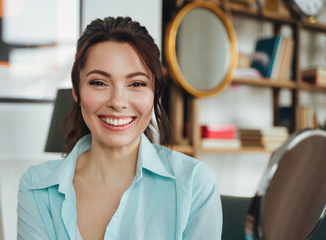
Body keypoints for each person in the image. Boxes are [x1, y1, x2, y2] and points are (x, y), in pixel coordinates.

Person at [17, 16, 222, 240]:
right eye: (99, 83)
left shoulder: (194, 184)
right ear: (76, 92)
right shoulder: (36, 187)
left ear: (155, 93)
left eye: (136, 84)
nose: (117, 101)